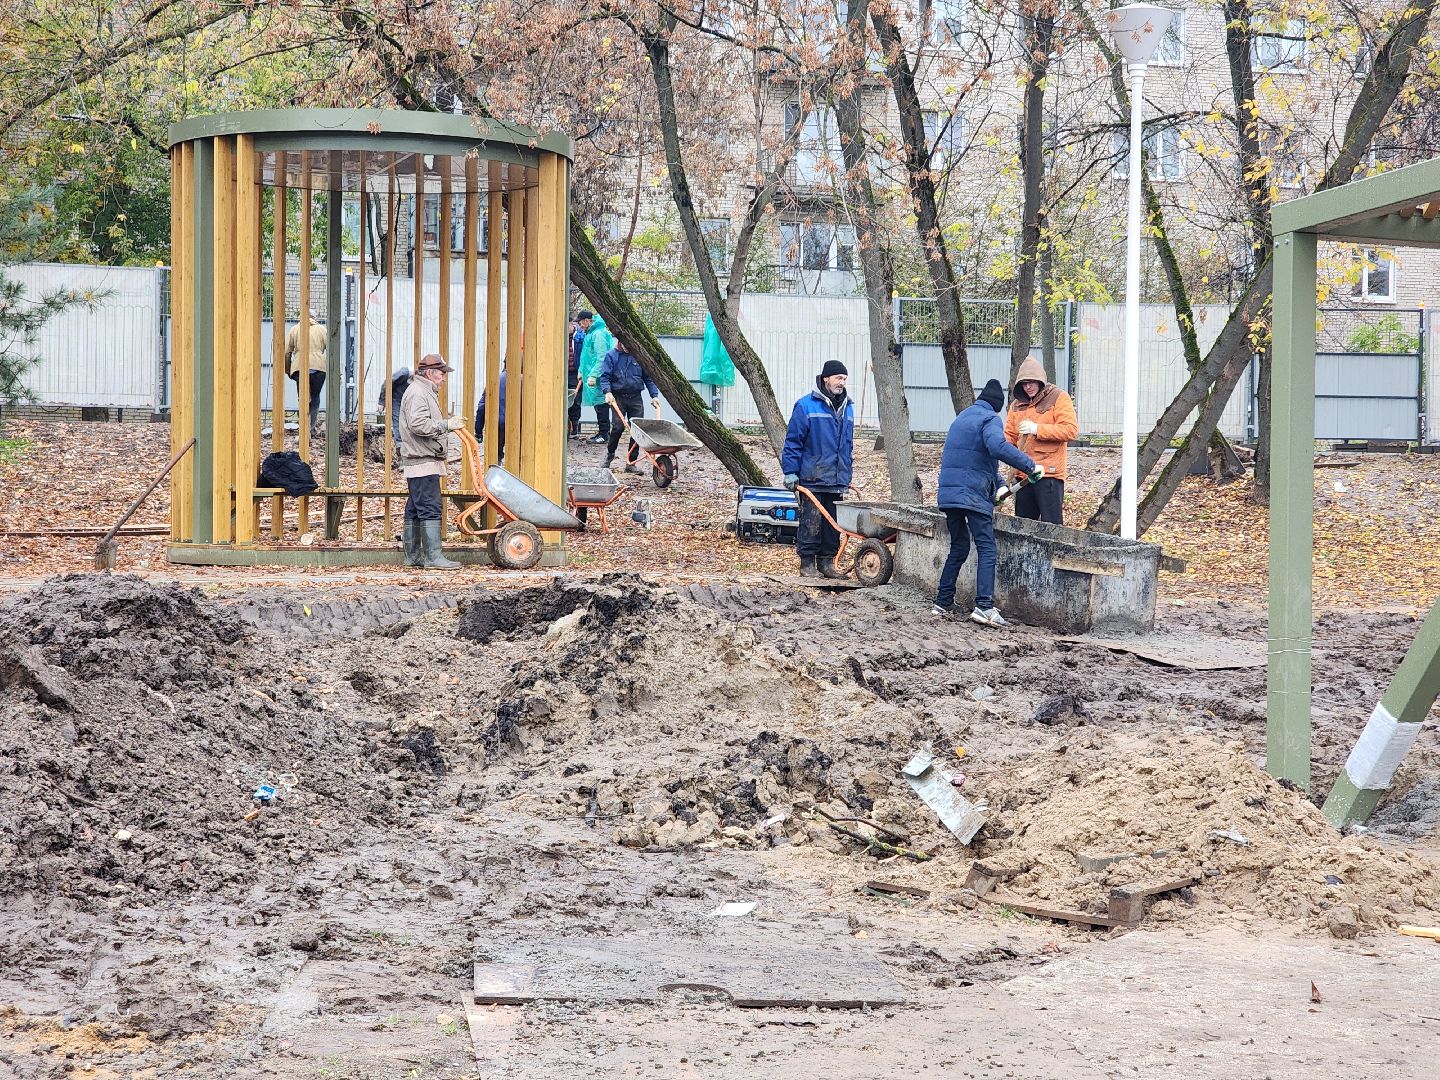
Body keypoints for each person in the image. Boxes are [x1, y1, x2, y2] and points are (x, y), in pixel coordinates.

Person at [933, 379, 1040, 626]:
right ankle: (984, 606)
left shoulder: (961, 419)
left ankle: (942, 602)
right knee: (987, 547)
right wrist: (1029, 465)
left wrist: (1000, 484)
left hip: (950, 495)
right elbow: (996, 446)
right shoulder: (990, 419)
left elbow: (976, 459)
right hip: (971, 495)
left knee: (959, 547)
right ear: (997, 406)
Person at [781, 360, 853, 578]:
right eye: (838, 378)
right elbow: (793, 441)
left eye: (844, 379)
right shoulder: (806, 406)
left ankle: (827, 563)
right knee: (811, 522)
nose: (842, 383)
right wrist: (790, 471)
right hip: (812, 477)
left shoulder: (848, 406)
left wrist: (847, 472)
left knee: (834, 525)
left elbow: (847, 444)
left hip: (836, 477)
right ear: (826, 379)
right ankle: (807, 564)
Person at [398, 353, 467, 570]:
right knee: (429, 508)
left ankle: (413, 556)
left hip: (420, 460)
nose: (444, 377)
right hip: (422, 461)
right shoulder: (419, 393)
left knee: (416, 509)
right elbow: (418, 424)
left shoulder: (420, 391)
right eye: (441, 373)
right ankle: (433, 557)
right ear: (429, 373)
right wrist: (446, 425)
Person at [1003, 358, 1078, 525]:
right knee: (1023, 527)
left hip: (1048, 474)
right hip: (1023, 476)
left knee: (1052, 528)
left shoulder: (1059, 397)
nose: (1028, 387)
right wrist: (1005, 452)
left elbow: (1070, 430)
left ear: (1040, 381)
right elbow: (1008, 437)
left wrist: (1037, 429)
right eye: (1024, 383)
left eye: (1031, 382)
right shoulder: (1016, 405)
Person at [598, 334, 660, 473]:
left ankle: (631, 462)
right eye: (625, 344)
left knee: (637, 431)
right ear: (620, 342)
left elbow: (648, 378)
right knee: (618, 427)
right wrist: (607, 392)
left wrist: (654, 396)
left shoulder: (638, 356)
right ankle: (609, 455)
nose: (628, 347)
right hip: (618, 397)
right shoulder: (611, 356)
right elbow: (605, 377)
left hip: (635, 397)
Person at [284, 309, 328, 433]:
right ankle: (311, 429)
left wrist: (288, 370)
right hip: (318, 369)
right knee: (315, 397)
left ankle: (304, 429)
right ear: (315, 317)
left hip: (300, 368)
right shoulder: (322, 329)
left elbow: (287, 352)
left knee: (302, 398)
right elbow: (331, 350)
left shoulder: (294, 329)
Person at [578, 312, 614, 445]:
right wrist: (581, 371)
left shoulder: (599, 334)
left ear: (587, 321)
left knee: (602, 405)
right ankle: (602, 432)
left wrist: (594, 374)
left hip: (599, 377)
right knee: (598, 405)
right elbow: (585, 355)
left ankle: (604, 434)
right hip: (591, 376)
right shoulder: (590, 334)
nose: (580, 326)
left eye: (581, 323)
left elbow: (601, 357)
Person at [569, 310, 593, 439]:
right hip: (562, 373)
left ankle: (574, 428)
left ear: (571, 324)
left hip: (575, 372)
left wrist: (583, 372)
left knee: (575, 401)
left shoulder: (580, 337)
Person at [475, 368, 506, 464]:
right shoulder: (529, 380)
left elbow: (482, 408)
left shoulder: (496, 380)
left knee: (495, 458)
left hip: (498, 425)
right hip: (522, 428)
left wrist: (478, 431)